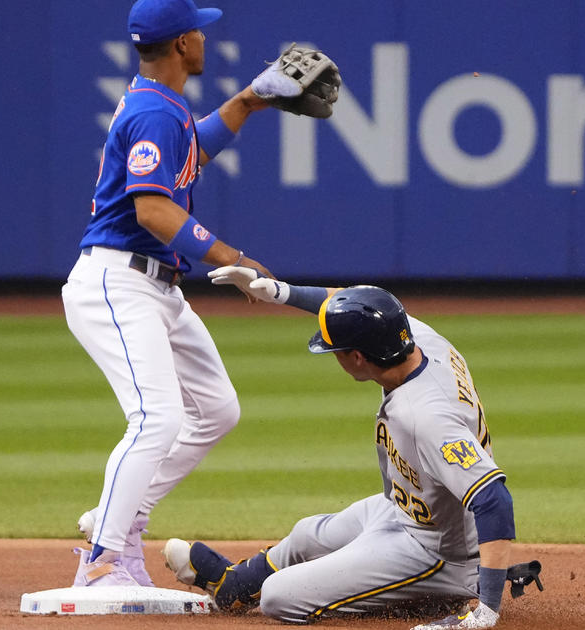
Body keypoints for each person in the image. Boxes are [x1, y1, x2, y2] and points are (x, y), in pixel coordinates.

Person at [62, 0, 338, 587]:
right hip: (118, 281)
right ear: (184, 43)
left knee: (214, 410)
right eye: (200, 33)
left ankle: (114, 519)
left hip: (153, 285)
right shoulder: (155, 111)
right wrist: (233, 258)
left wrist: (246, 102)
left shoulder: (158, 103)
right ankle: (104, 558)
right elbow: (154, 208)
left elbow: (191, 156)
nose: (206, 41)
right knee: (155, 418)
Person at [160, 268, 530, 629]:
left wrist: (488, 611)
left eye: (335, 351)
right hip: (406, 511)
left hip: (438, 551)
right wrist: (277, 292)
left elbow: (494, 499)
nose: (332, 355)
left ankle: (443, 592)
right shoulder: (416, 337)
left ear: (357, 358)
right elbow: (350, 303)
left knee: (279, 597)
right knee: (307, 534)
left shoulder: (425, 416)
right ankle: (232, 586)